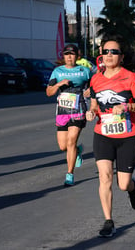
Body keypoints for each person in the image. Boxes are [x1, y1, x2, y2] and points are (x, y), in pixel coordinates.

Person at [86, 34, 135, 238]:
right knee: (105, 178)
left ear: (121, 57)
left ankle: (133, 188)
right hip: (103, 134)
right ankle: (108, 221)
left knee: (122, 184)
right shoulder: (95, 78)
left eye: (114, 52)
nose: (109, 55)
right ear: (101, 55)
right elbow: (95, 105)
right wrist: (91, 112)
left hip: (128, 135)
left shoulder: (130, 77)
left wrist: (126, 106)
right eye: (106, 51)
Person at [46, 44, 92, 187]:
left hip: (78, 108)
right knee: (62, 146)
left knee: (71, 141)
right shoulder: (57, 71)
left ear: (77, 56)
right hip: (63, 110)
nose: (69, 57)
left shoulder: (84, 70)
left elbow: (95, 86)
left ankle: (69, 174)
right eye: (67, 54)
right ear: (64, 56)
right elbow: (49, 92)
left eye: (72, 54)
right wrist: (59, 84)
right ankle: (77, 150)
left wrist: (90, 91)